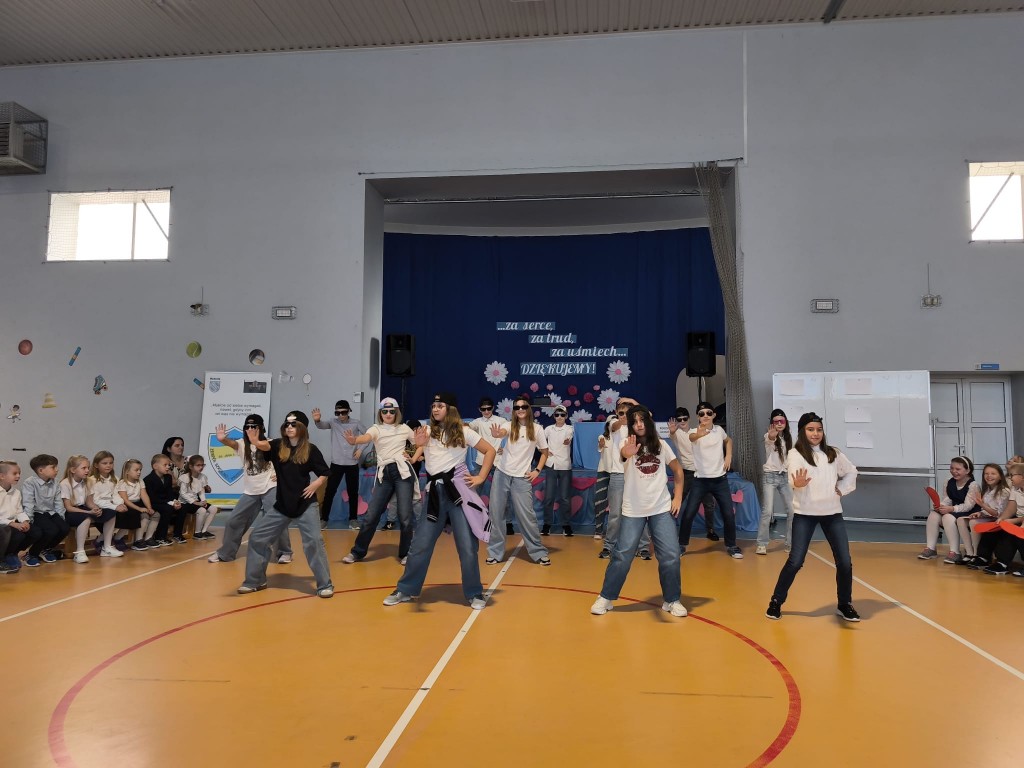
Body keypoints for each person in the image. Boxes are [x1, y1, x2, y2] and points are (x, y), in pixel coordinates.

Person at [383, 392, 496, 610]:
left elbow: (489, 450)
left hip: (458, 493)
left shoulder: (463, 432)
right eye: (434, 406)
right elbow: (410, 457)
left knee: (467, 546)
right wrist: (415, 446)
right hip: (435, 493)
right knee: (420, 544)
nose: (435, 409)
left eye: (440, 406)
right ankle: (405, 589)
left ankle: (474, 592)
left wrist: (481, 477)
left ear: (450, 409)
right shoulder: (426, 431)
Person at [590, 406, 687, 618]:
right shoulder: (626, 444)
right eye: (634, 421)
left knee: (671, 555)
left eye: (642, 420)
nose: (639, 424)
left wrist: (677, 497)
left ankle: (672, 600)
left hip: (661, 508)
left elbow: (678, 470)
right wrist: (627, 453)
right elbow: (624, 455)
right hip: (633, 510)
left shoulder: (661, 445)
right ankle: (606, 597)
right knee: (622, 555)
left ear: (648, 422)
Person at [765, 412, 860, 622]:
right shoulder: (795, 453)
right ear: (802, 431)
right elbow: (793, 477)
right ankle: (776, 601)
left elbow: (851, 471)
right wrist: (796, 484)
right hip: (805, 515)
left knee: (845, 562)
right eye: (810, 429)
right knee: (795, 561)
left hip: (832, 514)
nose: (815, 433)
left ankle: (844, 604)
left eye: (819, 430)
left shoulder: (833, 453)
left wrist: (842, 488)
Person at [237, 411, 334, 598]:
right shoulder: (278, 446)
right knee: (257, 538)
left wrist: (316, 484)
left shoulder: (311, 450)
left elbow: (325, 472)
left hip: (305, 505)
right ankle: (255, 581)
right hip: (282, 505)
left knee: (314, 542)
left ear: (302, 427)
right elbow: (265, 446)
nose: (289, 427)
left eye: (293, 424)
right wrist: (255, 441)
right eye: (287, 424)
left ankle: (325, 584)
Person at [341, 397, 416, 565]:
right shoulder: (376, 428)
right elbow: (366, 437)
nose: (388, 414)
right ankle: (357, 552)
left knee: (405, 516)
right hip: (385, 474)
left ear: (396, 412)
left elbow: (418, 443)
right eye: (384, 411)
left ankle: (406, 553)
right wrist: (355, 440)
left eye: (391, 411)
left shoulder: (404, 428)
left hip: (403, 472)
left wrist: (412, 455)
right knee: (371, 515)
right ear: (380, 413)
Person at [210, 414, 291, 564]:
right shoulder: (241, 444)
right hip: (251, 491)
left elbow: (286, 460)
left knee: (277, 519)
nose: (250, 429)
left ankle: (284, 552)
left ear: (261, 428)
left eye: (254, 426)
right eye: (247, 427)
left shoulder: (271, 443)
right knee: (233, 521)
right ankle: (225, 553)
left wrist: (281, 475)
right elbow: (232, 443)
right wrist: (222, 440)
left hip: (270, 487)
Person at [485, 396, 551, 566]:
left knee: (527, 516)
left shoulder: (537, 429)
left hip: (522, 478)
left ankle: (537, 552)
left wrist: (537, 470)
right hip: (502, 474)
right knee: (496, 514)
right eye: (516, 407)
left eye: (523, 406)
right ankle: (495, 552)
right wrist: (497, 434)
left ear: (529, 408)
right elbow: (502, 432)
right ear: (513, 411)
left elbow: (545, 452)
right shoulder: (509, 426)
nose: (520, 409)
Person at [677, 401, 743, 559]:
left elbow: (728, 440)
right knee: (689, 513)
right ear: (698, 417)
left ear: (714, 415)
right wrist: (699, 434)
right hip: (700, 481)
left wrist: (728, 455)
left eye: (708, 413)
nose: (705, 416)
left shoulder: (719, 430)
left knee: (728, 514)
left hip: (720, 480)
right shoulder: (694, 432)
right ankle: (681, 545)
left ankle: (731, 546)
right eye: (701, 414)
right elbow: (692, 438)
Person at [602, 396, 652, 560]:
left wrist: (633, 402)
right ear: (616, 413)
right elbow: (615, 425)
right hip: (618, 474)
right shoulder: (613, 423)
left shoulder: (637, 425)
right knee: (615, 513)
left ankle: (643, 547)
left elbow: (648, 416)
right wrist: (622, 418)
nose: (624, 415)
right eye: (621, 413)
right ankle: (609, 546)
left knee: (640, 510)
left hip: (637, 475)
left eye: (627, 413)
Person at [313, 400, 366, 529]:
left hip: (352, 463)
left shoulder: (356, 423)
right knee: (329, 491)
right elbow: (321, 425)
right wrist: (317, 420)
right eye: (338, 413)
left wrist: (360, 449)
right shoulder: (333, 422)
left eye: (344, 412)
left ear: (349, 411)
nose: (341, 415)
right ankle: (324, 519)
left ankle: (353, 519)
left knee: (353, 492)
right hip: (336, 463)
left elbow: (368, 436)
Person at [669, 406, 719, 545]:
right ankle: (669, 530)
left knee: (709, 503)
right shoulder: (676, 433)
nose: (682, 421)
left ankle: (710, 530)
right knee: (677, 501)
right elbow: (672, 434)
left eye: (685, 418)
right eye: (679, 419)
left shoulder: (696, 431)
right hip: (686, 473)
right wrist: (672, 431)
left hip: (702, 472)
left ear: (689, 418)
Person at [918, 456, 980, 562]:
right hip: (953, 510)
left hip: (968, 513)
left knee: (947, 517)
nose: (954, 471)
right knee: (933, 515)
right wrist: (941, 505)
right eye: (952, 468)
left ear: (967, 470)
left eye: (958, 469)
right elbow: (948, 498)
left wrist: (951, 509)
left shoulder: (973, 485)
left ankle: (955, 552)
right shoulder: (948, 481)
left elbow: (968, 506)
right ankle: (931, 548)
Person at [61, 455, 118, 563]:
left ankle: (106, 547)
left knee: (110, 513)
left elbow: (89, 502)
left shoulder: (88, 481)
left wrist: (96, 508)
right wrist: (88, 511)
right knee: (86, 518)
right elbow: (68, 507)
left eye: (88, 467)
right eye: (84, 468)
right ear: (73, 470)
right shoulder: (65, 483)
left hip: (85, 508)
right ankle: (80, 552)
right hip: (71, 511)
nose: (87, 470)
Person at [756, 409, 796, 555]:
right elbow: (770, 439)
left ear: (786, 422)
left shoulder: (789, 438)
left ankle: (790, 543)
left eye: (782, 421)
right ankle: (761, 544)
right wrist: (772, 436)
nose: (779, 424)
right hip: (770, 476)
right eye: (776, 421)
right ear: (772, 424)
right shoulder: (768, 436)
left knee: (792, 510)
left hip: (785, 476)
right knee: (767, 511)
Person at [469, 396, 511, 534]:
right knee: (474, 492)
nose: (486, 411)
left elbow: (512, 435)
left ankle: (507, 523)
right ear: (479, 409)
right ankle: (474, 521)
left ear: (493, 408)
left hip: (498, 461)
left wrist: (505, 449)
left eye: (488, 408)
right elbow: (467, 427)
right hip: (481, 461)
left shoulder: (501, 421)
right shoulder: (477, 422)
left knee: (502, 493)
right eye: (483, 409)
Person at [974, 461, 1024, 573]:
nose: (1010, 478)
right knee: (996, 526)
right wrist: (1001, 519)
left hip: (1020, 520)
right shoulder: (1015, 489)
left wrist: (1013, 521)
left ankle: (1003, 562)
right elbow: (1011, 507)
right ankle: (989, 559)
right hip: (1019, 518)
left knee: (1014, 532)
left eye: (1012, 475)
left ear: (1022, 477)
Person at [957, 463, 1009, 566]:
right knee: (960, 520)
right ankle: (969, 552)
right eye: (986, 473)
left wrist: (982, 505)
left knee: (974, 522)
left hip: (998, 519)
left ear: (1000, 476)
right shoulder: (987, 490)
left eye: (993, 473)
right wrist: (980, 512)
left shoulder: (1004, 491)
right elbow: (986, 509)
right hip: (988, 516)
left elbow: (999, 513)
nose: (989, 476)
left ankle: (978, 554)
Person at [21, 454, 70, 564]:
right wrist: (29, 520)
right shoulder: (30, 483)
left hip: (51, 512)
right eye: (53, 467)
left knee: (65, 528)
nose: (57, 470)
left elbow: (58, 502)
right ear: (41, 470)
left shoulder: (55, 482)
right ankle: (32, 553)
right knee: (51, 530)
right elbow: (28, 503)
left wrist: (61, 517)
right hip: (36, 512)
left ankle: (45, 549)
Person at [1, 461, 41, 571]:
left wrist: (25, 521)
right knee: (15, 534)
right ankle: (2, 558)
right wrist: (12, 524)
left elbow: (19, 511)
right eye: (14, 473)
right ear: (2, 476)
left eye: (19, 473)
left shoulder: (16, 492)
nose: (18, 476)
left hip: (13, 523)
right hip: (3, 524)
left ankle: (12, 553)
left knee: (35, 532)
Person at [86, 451, 128, 554]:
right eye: (104, 463)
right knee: (111, 513)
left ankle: (100, 540)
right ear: (96, 465)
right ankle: (107, 546)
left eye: (111, 463)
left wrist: (120, 503)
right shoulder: (91, 480)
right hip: (97, 507)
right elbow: (95, 500)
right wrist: (114, 507)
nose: (108, 465)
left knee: (128, 512)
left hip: (111, 505)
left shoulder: (114, 478)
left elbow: (115, 494)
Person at [542, 405, 575, 536]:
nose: (559, 417)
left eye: (562, 415)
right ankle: (547, 524)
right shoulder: (548, 429)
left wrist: (567, 441)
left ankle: (566, 525)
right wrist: (544, 451)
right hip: (551, 464)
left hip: (564, 465)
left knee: (565, 497)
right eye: (557, 415)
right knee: (549, 496)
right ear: (554, 416)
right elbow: (539, 441)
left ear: (566, 416)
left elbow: (569, 438)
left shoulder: (569, 428)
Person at [116, 459, 157, 551]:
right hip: (127, 505)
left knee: (152, 514)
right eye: (136, 470)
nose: (139, 472)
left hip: (137, 503)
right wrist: (139, 509)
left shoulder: (140, 481)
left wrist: (149, 507)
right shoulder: (122, 483)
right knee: (132, 517)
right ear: (127, 471)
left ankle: (142, 539)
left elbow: (144, 495)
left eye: (140, 470)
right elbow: (125, 500)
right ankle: (117, 538)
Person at [144, 453, 184, 547]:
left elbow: (169, 492)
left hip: (165, 502)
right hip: (153, 503)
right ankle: (160, 537)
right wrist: (169, 503)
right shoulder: (148, 479)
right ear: (155, 466)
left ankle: (177, 534)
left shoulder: (168, 477)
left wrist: (175, 501)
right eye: (165, 465)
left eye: (169, 465)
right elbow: (152, 497)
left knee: (181, 508)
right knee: (167, 509)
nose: (168, 467)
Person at [177, 455, 220, 540]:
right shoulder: (184, 477)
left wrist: (203, 501)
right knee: (202, 510)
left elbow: (201, 491)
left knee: (213, 509)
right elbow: (183, 493)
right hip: (185, 503)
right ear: (191, 466)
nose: (201, 467)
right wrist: (195, 502)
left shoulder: (202, 477)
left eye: (202, 465)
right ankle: (197, 532)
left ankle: (204, 531)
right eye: (198, 465)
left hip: (196, 501)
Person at [593, 418, 615, 539]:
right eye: (610, 423)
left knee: (617, 503)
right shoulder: (602, 436)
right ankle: (598, 530)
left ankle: (616, 531)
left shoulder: (623, 437)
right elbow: (600, 443)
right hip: (603, 471)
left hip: (617, 473)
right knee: (599, 501)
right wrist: (601, 444)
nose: (613, 425)